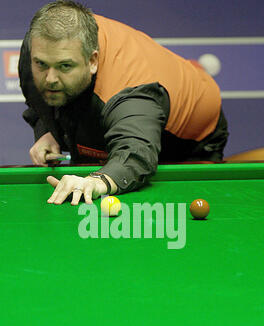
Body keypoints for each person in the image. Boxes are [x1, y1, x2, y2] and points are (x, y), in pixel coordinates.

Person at [19, 0, 229, 206]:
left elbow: (136, 155)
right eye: (42, 65)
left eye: (65, 66)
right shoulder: (39, 49)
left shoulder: (131, 93)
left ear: (92, 61)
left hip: (188, 139)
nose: (50, 79)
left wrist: (97, 182)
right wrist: (46, 130)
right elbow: (39, 99)